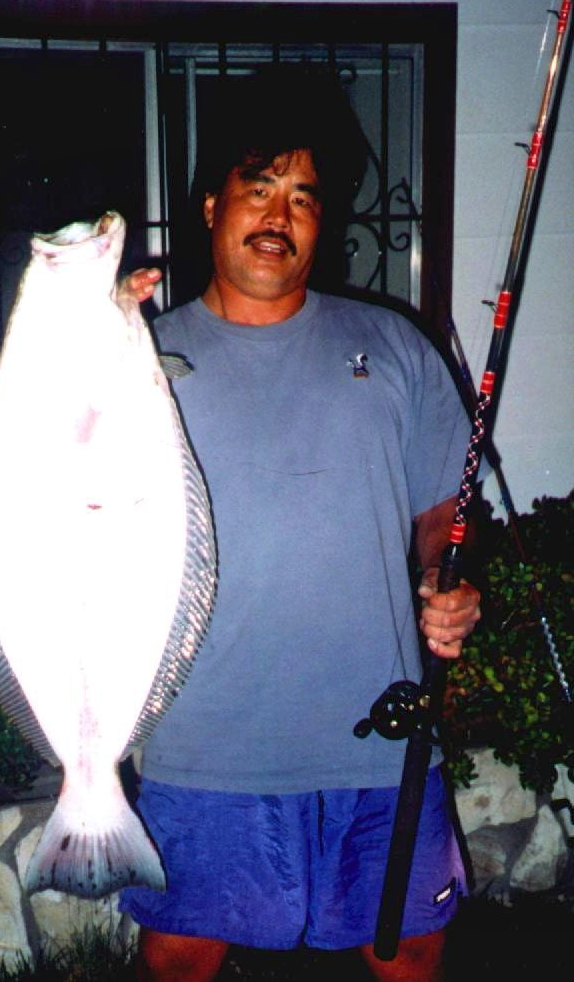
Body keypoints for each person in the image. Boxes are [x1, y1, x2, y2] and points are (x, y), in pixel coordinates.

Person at [118, 66, 481, 982]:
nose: (279, 214)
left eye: (304, 198)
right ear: (211, 206)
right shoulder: (142, 362)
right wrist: (93, 334)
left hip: (380, 731)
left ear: (325, 224)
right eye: (258, 186)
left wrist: (441, 589)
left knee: (408, 954)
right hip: (204, 737)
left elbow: (438, 516)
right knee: (181, 956)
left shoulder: (397, 347)